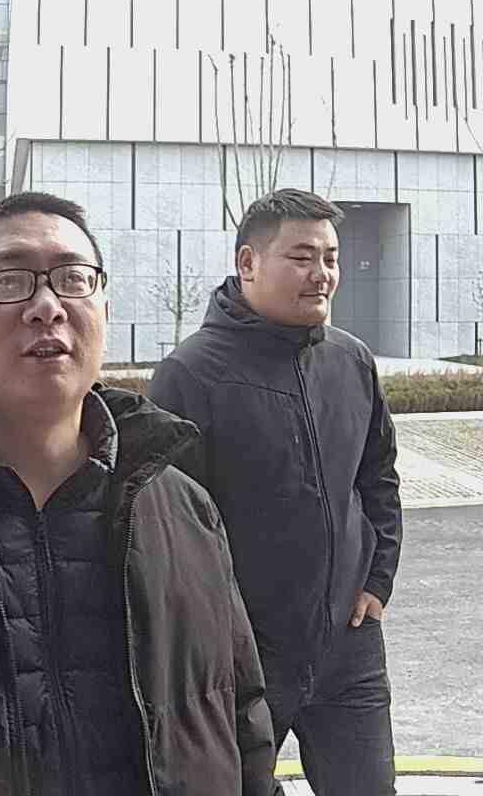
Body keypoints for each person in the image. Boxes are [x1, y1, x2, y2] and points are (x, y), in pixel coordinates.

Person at [0, 191, 280, 796]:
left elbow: (240, 711)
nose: (47, 307)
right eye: (9, 281)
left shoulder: (182, 508)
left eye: (73, 280)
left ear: (104, 312)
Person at [150, 188, 402, 796]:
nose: (323, 275)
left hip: (348, 645)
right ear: (248, 263)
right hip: (244, 659)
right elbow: (171, 533)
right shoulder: (191, 375)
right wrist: (213, 642)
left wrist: (377, 579)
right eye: (302, 257)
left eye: (331, 258)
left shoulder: (351, 361)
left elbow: (377, 477)